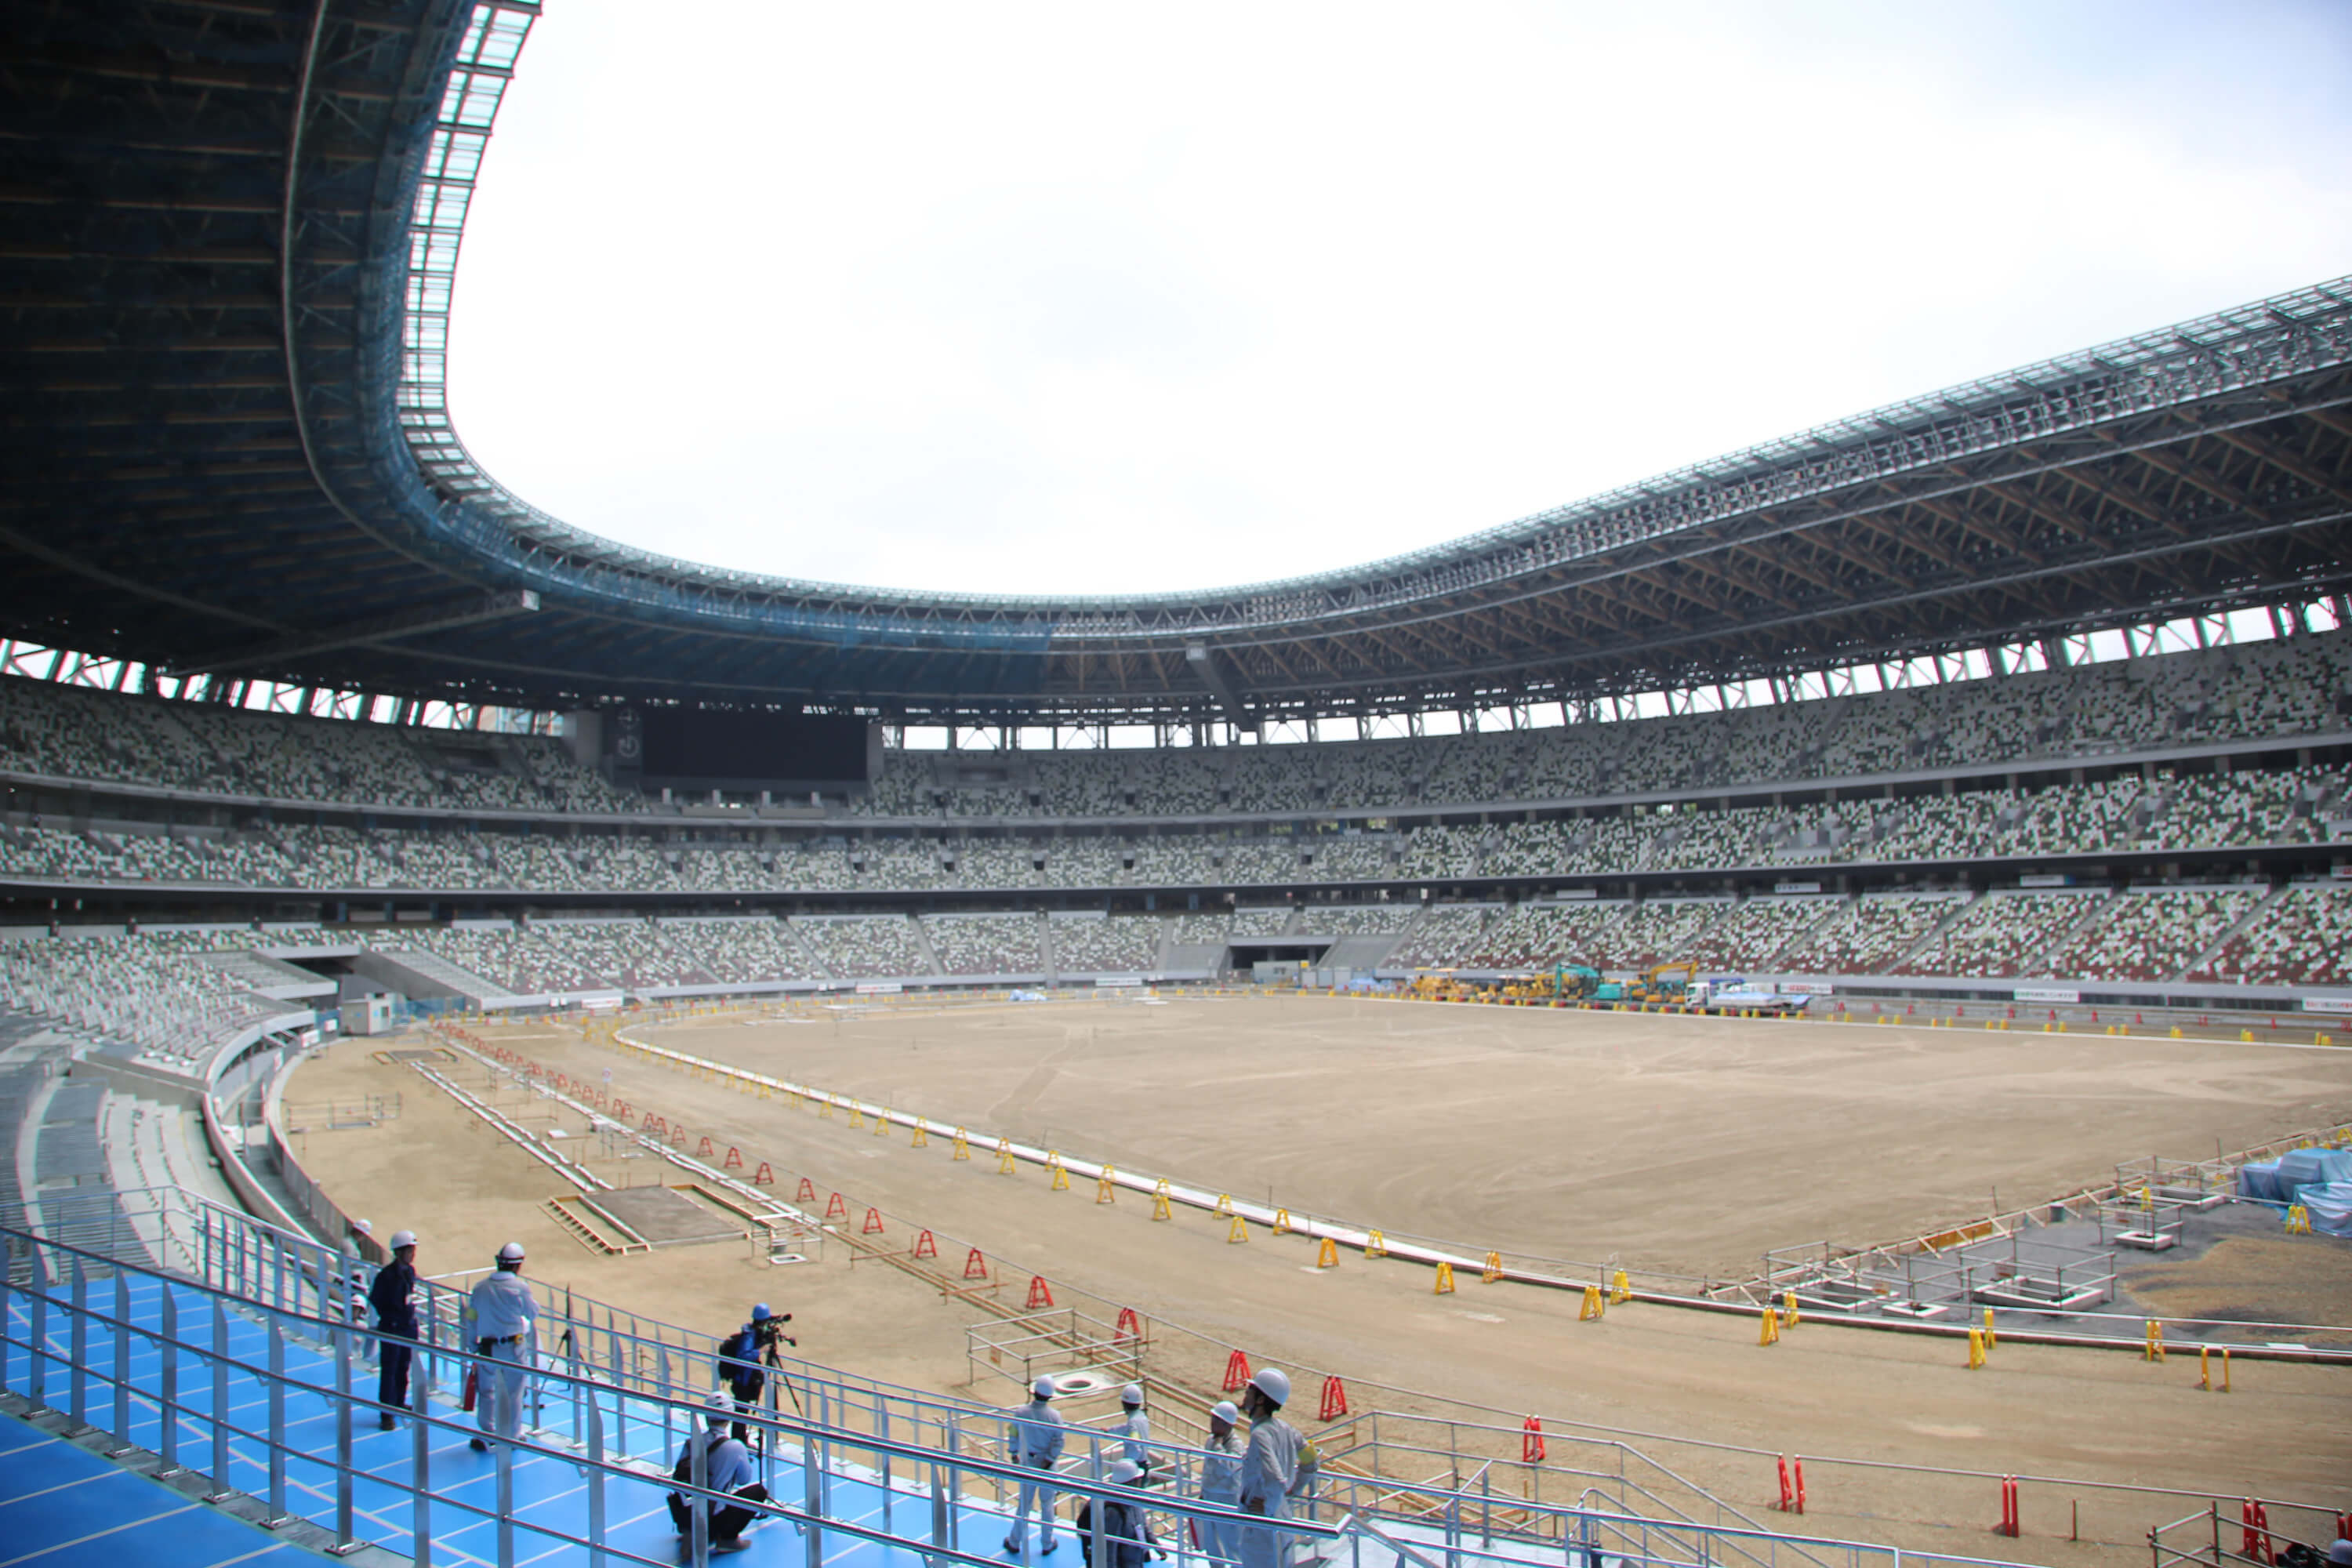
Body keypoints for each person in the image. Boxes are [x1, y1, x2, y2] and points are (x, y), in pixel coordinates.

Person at [668, 1395, 771, 1555]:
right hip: (714, 1518)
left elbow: (678, 1476)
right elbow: (744, 1480)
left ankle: (690, 1529)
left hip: (685, 1514)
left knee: (700, 1497)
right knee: (758, 1492)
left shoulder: (691, 1443)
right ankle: (728, 1539)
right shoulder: (736, 1447)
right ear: (729, 1417)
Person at [1236, 1368, 1311, 1568]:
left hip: (1262, 1523)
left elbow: (1276, 1480)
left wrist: (1267, 1507)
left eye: (1250, 1391)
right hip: (1283, 1515)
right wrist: (1293, 1491)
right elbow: (1311, 1461)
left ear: (1260, 1400)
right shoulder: (1287, 1429)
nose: (1245, 1395)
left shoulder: (1260, 1435)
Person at [466, 1240, 536, 1452]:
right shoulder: (520, 1288)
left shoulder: (480, 1288)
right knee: (515, 1392)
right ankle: (513, 1435)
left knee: (487, 1391)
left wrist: (472, 1344)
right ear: (518, 1265)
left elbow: (470, 1317)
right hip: (514, 1346)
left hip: (487, 1348)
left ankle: (487, 1434)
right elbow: (532, 1313)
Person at [1003, 1374, 1066, 1555]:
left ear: (1034, 1392)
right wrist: (1049, 1459)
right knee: (1047, 1505)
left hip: (1027, 1464)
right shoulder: (1055, 1416)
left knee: (1024, 1504)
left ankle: (1015, 1541)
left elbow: (1013, 1433)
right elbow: (1059, 1441)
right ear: (1050, 1396)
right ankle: (1047, 1543)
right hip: (1048, 1466)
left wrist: (1014, 1454)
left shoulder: (1021, 1412)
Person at [715, 1302, 794, 1443]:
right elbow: (743, 1355)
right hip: (743, 1380)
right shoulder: (749, 1336)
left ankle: (741, 1440)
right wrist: (761, 1351)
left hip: (746, 1378)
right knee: (742, 1412)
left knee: (743, 1412)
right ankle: (739, 1441)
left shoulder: (754, 1333)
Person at [368, 1229, 420, 1429]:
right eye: (409, 1250)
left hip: (407, 1327)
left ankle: (399, 1402)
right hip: (392, 1328)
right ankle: (386, 1414)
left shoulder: (410, 1272)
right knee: (389, 1370)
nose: (412, 1254)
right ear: (399, 1252)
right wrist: (390, 1316)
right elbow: (376, 1299)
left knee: (403, 1367)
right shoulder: (386, 1276)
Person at [1073, 1460, 1163, 1568]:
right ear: (1131, 1483)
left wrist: (1156, 1546)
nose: (1141, 1482)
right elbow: (1109, 1553)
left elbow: (1143, 1527)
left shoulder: (1134, 1502)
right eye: (1138, 1479)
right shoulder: (1113, 1513)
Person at [1195, 1400, 1243, 1563]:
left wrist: (1218, 1448)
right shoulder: (1211, 1440)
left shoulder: (1236, 1445)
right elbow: (1208, 1468)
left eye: (1216, 1420)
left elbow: (1228, 1468)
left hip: (1226, 1500)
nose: (1211, 1423)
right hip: (1209, 1497)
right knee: (1211, 1545)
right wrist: (1203, 1492)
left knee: (1232, 1545)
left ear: (1226, 1424)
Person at [1112, 1383, 1153, 1480]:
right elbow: (1127, 1429)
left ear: (1124, 1404)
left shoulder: (1133, 1422)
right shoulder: (1142, 1417)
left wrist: (1126, 1464)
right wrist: (1111, 1430)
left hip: (1136, 1466)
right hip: (1144, 1462)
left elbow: (1136, 1447)